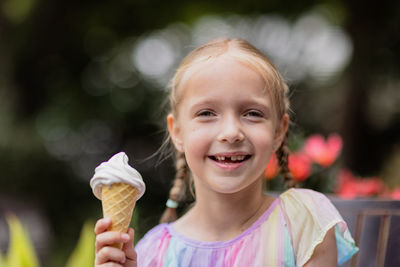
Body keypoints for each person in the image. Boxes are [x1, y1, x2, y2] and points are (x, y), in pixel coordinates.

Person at [94, 38, 358, 267]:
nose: (231, 132)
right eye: (206, 113)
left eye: (252, 113)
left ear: (279, 131)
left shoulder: (303, 224)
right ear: (177, 132)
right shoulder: (154, 253)